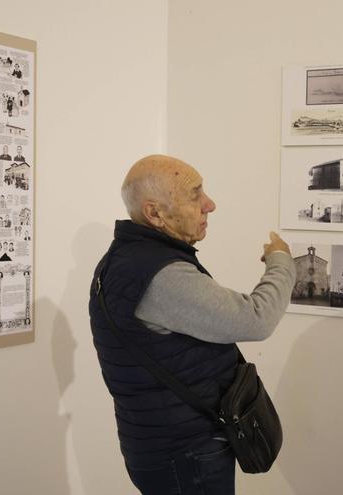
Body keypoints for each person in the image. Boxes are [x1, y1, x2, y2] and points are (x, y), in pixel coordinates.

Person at [88, 154, 296, 495]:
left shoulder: (124, 259)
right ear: (155, 213)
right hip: (185, 452)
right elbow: (256, 319)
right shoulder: (161, 275)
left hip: (162, 442)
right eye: (195, 195)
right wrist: (281, 261)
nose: (209, 204)